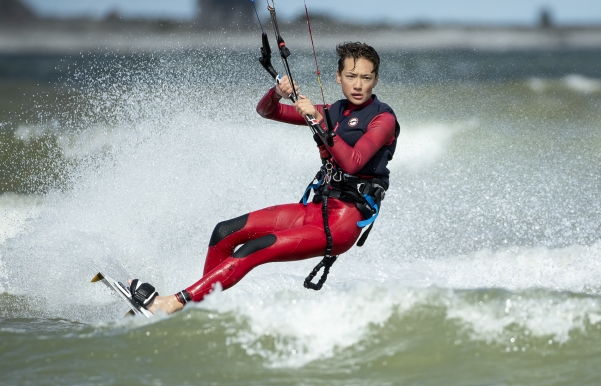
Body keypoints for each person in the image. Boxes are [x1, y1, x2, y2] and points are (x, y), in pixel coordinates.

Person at [126, 42, 400, 315]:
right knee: (225, 232)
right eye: (351, 76)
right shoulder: (333, 111)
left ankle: (172, 303)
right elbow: (267, 111)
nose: (358, 85)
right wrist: (277, 93)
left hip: (342, 223)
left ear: (375, 79)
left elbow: (354, 162)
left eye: (366, 77)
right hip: (318, 209)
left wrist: (317, 120)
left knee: (256, 248)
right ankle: (201, 309)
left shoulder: (382, 118)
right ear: (338, 77)